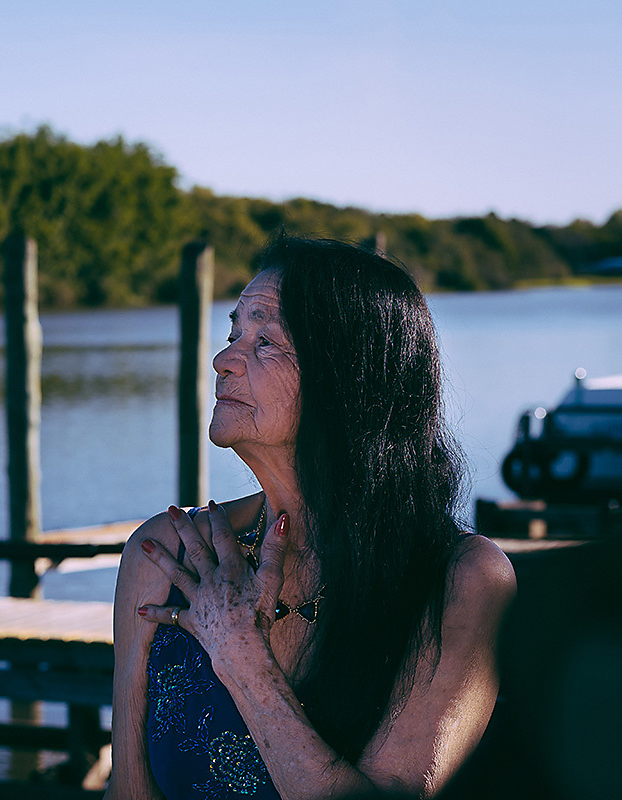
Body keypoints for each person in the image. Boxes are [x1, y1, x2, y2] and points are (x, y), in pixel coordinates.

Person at [106, 235, 516, 800]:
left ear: (351, 372)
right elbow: (128, 794)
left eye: (265, 339)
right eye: (233, 335)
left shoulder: (459, 578)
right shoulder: (165, 555)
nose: (223, 360)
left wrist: (242, 660)